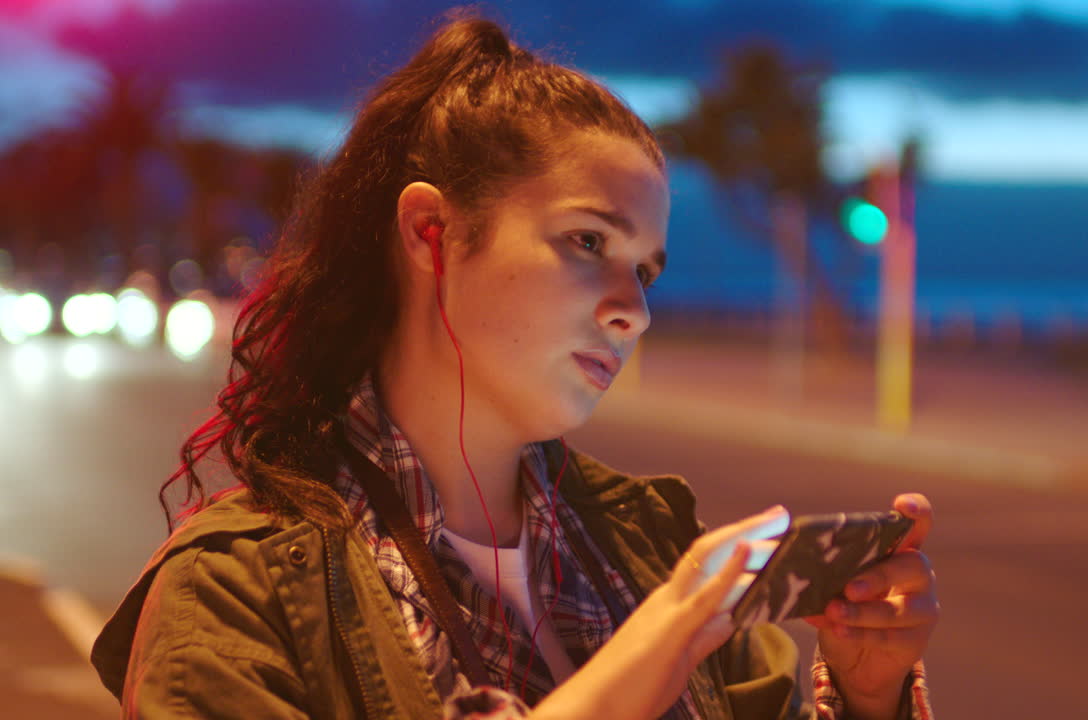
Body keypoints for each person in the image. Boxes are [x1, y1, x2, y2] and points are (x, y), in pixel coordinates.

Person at [90, 11, 939, 720]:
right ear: (433, 233)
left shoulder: (645, 543)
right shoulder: (236, 592)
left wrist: (869, 696)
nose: (631, 309)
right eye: (588, 243)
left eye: (645, 270)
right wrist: (666, 637)